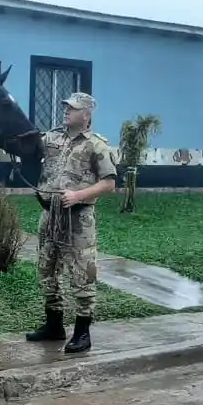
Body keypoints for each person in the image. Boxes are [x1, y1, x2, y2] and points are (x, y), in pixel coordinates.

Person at [24, 92, 118, 354]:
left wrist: (78, 195)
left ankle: (82, 332)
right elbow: (28, 147)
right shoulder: (52, 138)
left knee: (82, 274)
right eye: (66, 106)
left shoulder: (96, 145)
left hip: (78, 218)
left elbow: (109, 183)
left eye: (72, 108)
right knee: (46, 270)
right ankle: (54, 325)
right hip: (49, 216)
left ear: (86, 115)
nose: (66, 110)